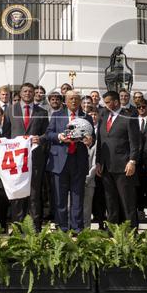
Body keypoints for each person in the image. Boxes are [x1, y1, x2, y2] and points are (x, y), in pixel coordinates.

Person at [45, 90, 94, 232]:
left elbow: (94, 137)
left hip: (78, 162)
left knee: (77, 197)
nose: (74, 101)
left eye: (76, 99)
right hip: (59, 162)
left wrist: (90, 140)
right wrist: (60, 137)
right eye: (71, 99)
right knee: (60, 199)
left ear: (80, 101)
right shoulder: (57, 115)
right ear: (65, 101)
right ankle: (62, 228)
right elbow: (48, 134)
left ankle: (77, 228)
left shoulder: (86, 117)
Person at [4, 82, 48, 229]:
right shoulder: (10, 110)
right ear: (20, 93)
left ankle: (35, 229)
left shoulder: (42, 112)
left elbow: (47, 134)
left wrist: (40, 139)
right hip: (16, 161)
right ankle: (17, 228)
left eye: (30, 91)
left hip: (35, 160)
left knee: (34, 195)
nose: (28, 94)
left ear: (34, 93)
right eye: (25, 91)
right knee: (18, 195)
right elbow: (5, 135)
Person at [95, 90, 142, 227]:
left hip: (123, 167)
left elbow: (135, 142)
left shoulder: (129, 117)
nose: (105, 105)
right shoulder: (103, 116)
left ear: (116, 102)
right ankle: (113, 230)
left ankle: (132, 232)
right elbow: (100, 141)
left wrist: (132, 161)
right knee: (110, 201)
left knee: (127, 202)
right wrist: (98, 161)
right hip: (106, 167)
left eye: (108, 102)